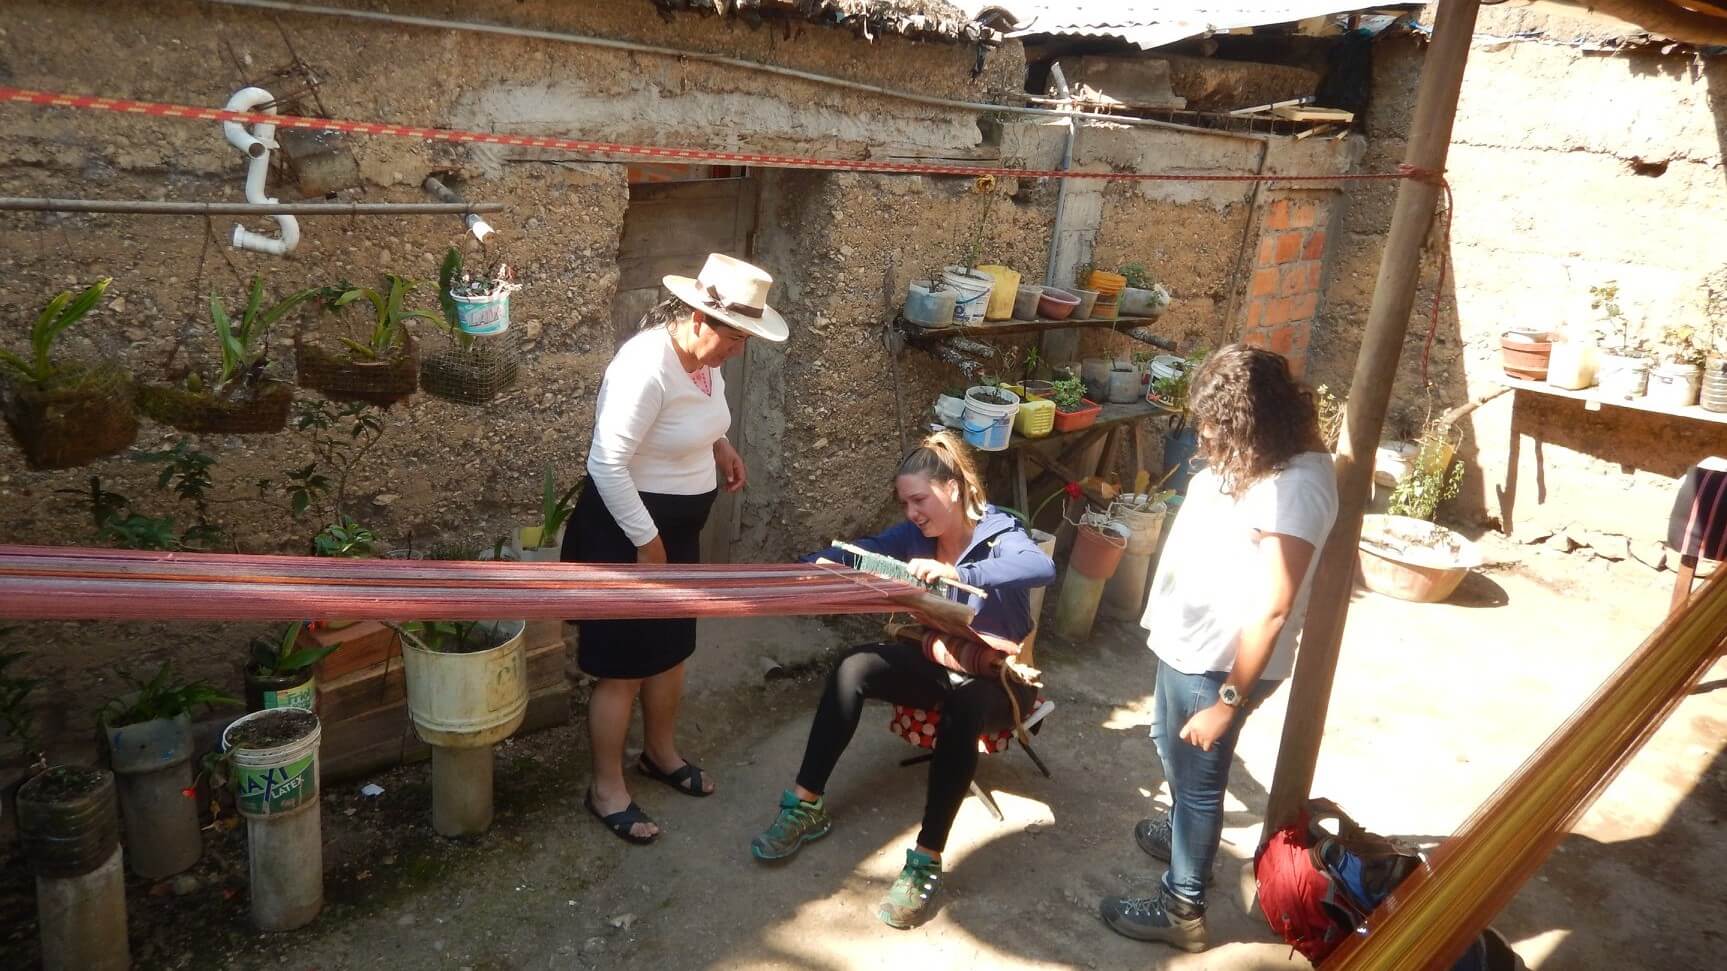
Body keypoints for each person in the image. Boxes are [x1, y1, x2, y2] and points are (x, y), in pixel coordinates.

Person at [750, 431, 1056, 929]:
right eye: (906, 503)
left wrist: (960, 575)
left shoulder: (1000, 533)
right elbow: (865, 552)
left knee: (964, 708)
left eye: (920, 500)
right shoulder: (914, 537)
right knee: (853, 667)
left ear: (952, 489)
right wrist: (812, 567)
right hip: (939, 658)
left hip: (1001, 679)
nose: (912, 512)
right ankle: (806, 806)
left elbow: (1040, 566)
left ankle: (925, 861)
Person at [1099, 344, 1339, 952]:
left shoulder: (1298, 488)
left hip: (1219, 665)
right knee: (1169, 744)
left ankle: (1182, 907)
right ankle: (1188, 835)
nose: (1204, 435)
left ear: (1253, 422)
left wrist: (1227, 701)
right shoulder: (1268, 459)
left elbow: (1275, 606)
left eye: (1214, 425)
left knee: (1200, 779)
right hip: (1191, 645)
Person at [566, 253, 789, 844]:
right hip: (627, 533)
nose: (737, 350)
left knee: (670, 651)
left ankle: (659, 754)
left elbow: (700, 412)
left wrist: (721, 445)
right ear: (697, 319)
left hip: (673, 534)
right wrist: (648, 545)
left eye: (745, 339)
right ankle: (605, 789)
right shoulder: (645, 367)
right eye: (733, 337)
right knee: (622, 668)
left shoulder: (703, 360)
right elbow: (606, 463)